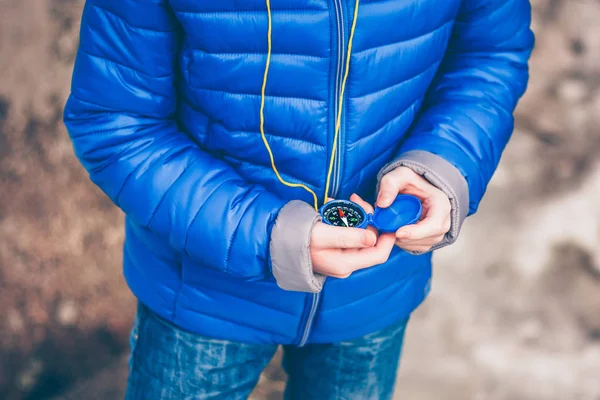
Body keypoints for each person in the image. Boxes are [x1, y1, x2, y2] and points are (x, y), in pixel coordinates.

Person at [64, 0, 534, 398]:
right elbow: (116, 122)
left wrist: (445, 163)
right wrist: (265, 233)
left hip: (372, 291)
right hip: (206, 296)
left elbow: (491, 52)